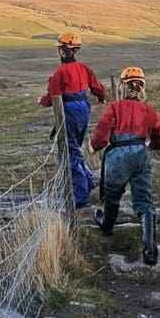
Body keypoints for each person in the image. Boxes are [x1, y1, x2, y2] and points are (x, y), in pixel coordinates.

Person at [92, 66, 160, 265]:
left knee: (112, 194)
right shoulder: (149, 110)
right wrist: (155, 146)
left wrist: (94, 147)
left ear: (122, 86)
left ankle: (107, 227)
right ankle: (150, 250)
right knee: (144, 199)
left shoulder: (114, 108)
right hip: (140, 154)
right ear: (142, 87)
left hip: (118, 156)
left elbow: (101, 134)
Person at [38, 32, 107, 208]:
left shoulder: (60, 72)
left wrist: (41, 101)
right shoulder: (83, 68)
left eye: (59, 49)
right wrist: (101, 97)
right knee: (75, 147)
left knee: (70, 152)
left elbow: (52, 97)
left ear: (62, 51)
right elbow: (98, 87)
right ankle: (89, 180)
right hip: (84, 107)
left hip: (69, 110)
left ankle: (80, 196)